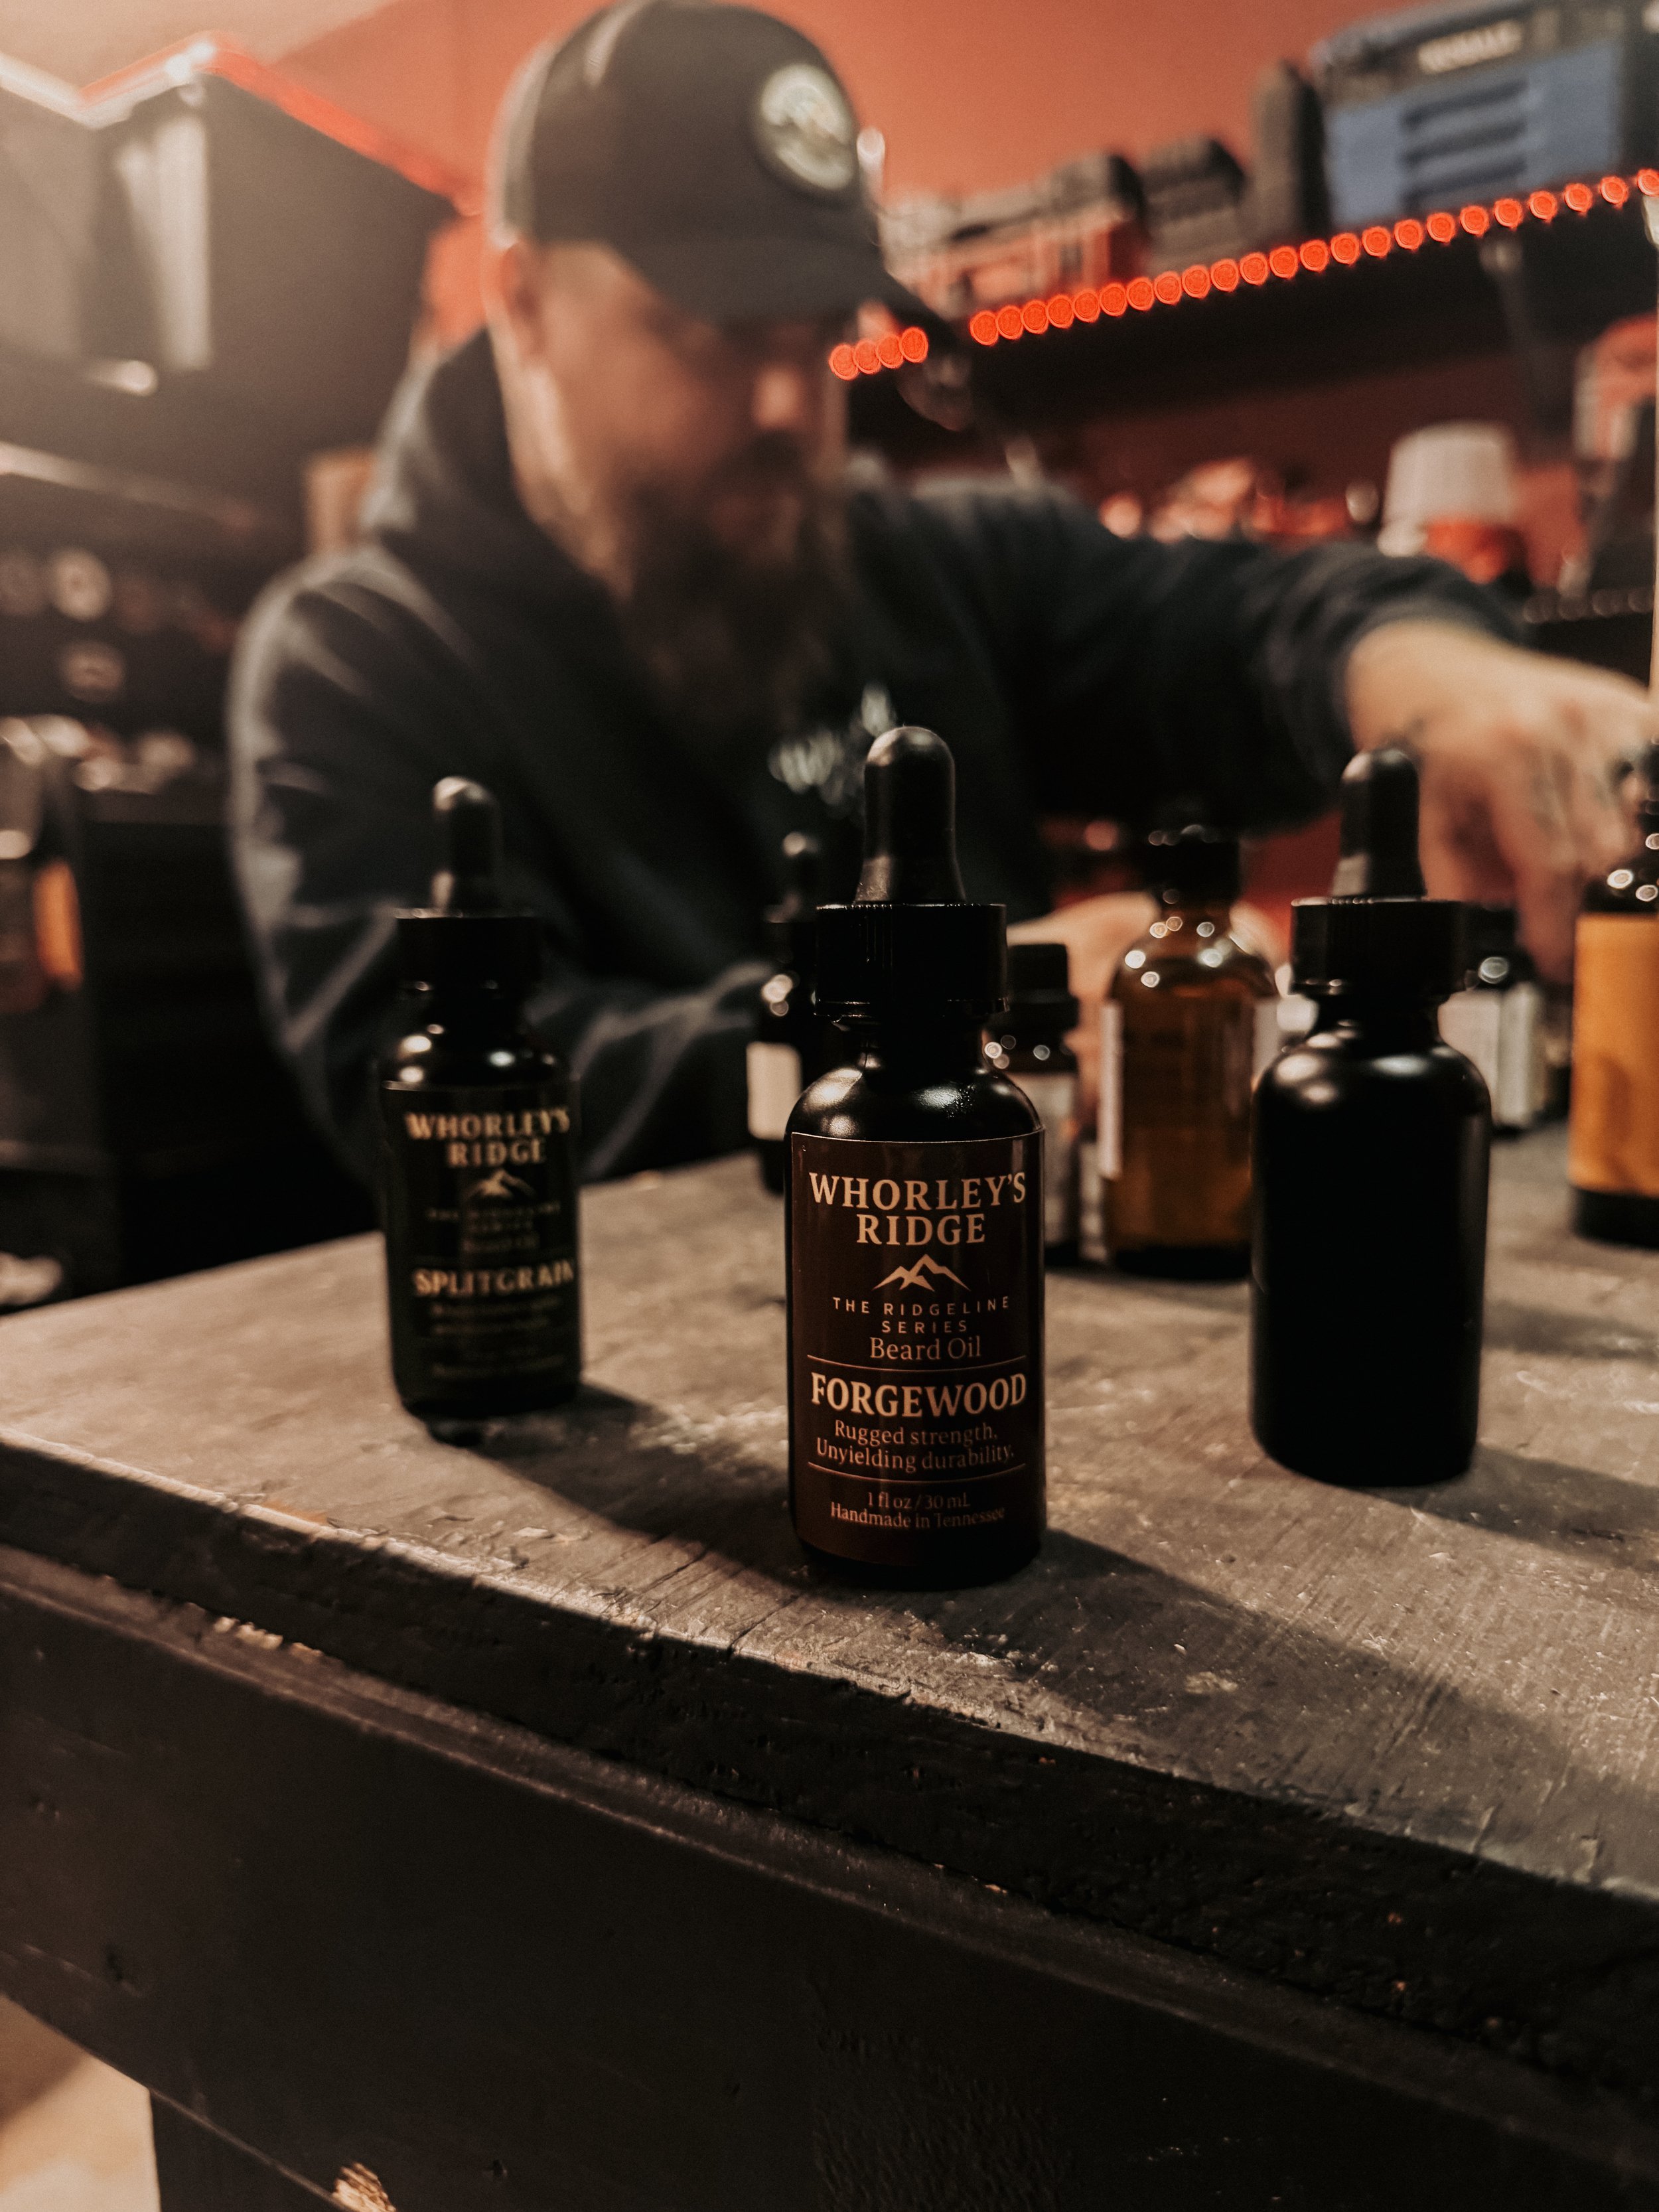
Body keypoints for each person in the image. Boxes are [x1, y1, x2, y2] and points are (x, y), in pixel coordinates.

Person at [230, 0, 1653, 1185]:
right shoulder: (354, 663)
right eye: (715, 335)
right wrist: (933, 1008)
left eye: (821, 331)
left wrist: (1423, 670)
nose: (794, 400)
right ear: (524, 300)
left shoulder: (932, 562)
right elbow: (421, 1093)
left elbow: (1226, 623)